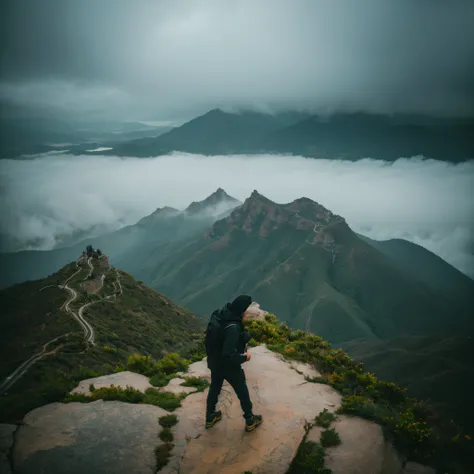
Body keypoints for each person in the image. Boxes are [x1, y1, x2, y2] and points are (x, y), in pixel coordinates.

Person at [205, 295, 263, 432]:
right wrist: (245, 358)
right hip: (228, 366)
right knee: (242, 390)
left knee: (214, 388)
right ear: (242, 311)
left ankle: (210, 416)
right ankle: (250, 419)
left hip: (214, 361)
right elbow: (228, 355)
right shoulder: (233, 327)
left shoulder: (220, 314)